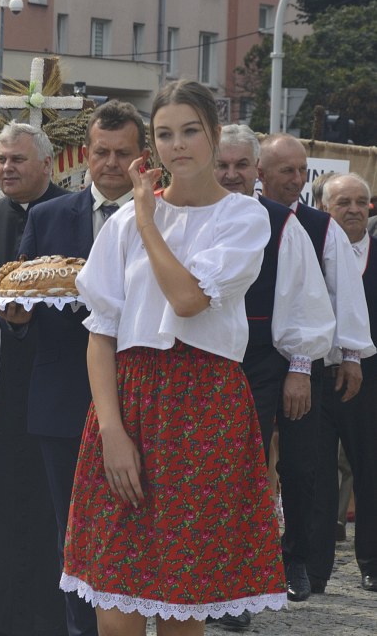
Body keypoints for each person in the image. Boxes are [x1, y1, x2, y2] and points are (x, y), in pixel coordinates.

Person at [62, 80, 286, 634]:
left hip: (203, 407)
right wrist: (111, 432)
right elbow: (101, 333)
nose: (177, 145)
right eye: (165, 134)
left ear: (214, 133)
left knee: (182, 605)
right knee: (115, 612)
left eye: (190, 131)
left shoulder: (243, 218)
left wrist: (147, 219)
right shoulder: (122, 223)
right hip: (129, 402)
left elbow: (187, 300)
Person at [0, 100, 148, 636]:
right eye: (101, 152)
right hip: (63, 402)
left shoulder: (164, 218)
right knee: (76, 537)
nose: (110, 163)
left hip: (148, 399)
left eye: (122, 153)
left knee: (147, 532)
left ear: (142, 157)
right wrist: (16, 318)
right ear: (85, 153)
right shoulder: (48, 217)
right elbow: (23, 300)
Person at [211, 124, 336, 630]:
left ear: (256, 171)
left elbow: (305, 301)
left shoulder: (283, 224)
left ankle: (239, 592)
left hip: (259, 365)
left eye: (241, 165)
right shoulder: (187, 214)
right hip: (196, 363)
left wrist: (300, 368)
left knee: (247, 474)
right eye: (222, 165)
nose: (231, 174)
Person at [0, 121, 67, 635]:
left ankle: (49, 618)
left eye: (17, 159)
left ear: (47, 164)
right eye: (1, 159)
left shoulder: (72, 215)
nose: (5, 167)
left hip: (56, 384)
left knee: (48, 510)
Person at [257, 133, 374, 598]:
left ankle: (299, 560)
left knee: (304, 467)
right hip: (251, 361)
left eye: (301, 171)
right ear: (262, 172)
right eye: (286, 170)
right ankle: (251, 562)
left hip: (307, 363)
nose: (296, 179)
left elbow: (345, 292)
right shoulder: (239, 218)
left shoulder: (320, 226)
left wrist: (351, 355)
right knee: (247, 463)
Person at [314, 172, 377, 594]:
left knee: (370, 470)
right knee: (315, 473)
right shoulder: (309, 251)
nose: (354, 210)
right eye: (343, 203)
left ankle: (372, 561)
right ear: (324, 208)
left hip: (370, 381)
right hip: (316, 376)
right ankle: (313, 567)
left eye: (360, 202)